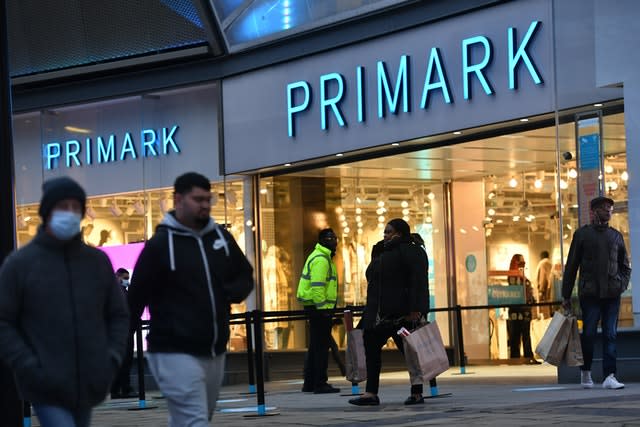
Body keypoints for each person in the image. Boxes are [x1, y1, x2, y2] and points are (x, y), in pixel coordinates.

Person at [0, 176, 129, 427]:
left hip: (88, 381)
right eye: (63, 207)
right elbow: (4, 321)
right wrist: (28, 364)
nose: (70, 213)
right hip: (44, 383)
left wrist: (111, 357)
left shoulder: (96, 262)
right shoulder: (21, 264)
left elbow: (118, 314)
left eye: (76, 207)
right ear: (47, 212)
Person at [128, 172, 254, 425]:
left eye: (208, 199)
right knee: (194, 420)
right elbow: (135, 298)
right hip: (173, 350)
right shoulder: (160, 245)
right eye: (198, 199)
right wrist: (114, 350)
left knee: (194, 417)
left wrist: (229, 294)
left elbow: (244, 274)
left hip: (214, 349)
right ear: (178, 200)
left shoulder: (220, 238)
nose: (205, 205)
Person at [349, 218, 429, 406]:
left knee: (410, 351)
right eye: (384, 232)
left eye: (388, 232)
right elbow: (373, 278)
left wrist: (416, 309)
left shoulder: (412, 252)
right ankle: (370, 393)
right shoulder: (382, 251)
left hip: (403, 314)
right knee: (370, 345)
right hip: (380, 314)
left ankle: (417, 393)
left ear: (399, 233)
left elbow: (418, 283)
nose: (385, 235)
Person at [562, 196, 630, 390]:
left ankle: (610, 375)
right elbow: (572, 266)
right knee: (589, 334)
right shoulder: (582, 235)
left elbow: (625, 266)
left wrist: (620, 285)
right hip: (590, 295)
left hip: (611, 295)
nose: (608, 211)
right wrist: (566, 295)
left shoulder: (616, 236)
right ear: (593, 211)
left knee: (610, 334)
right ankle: (586, 372)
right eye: (604, 208)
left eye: (610, 208)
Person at [297, 228, 341, 394]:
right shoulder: (322, 259)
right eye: (330, 238)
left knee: (316, 346)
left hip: (317, 308)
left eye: (335, 238)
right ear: (322, 240)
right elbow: (317, 287)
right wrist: (324, 309)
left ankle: (310, 382)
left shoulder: (322, 257)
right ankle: (320, 383)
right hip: (319, 309)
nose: (334, 241)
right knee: (321, 347)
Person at [506, 254, 539, 364]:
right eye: (521, 263)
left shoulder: (521, 278)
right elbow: (515, 294)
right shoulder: (514, 278)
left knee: (524, 335)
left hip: (523, 311)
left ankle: (526, 357)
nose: (523, 266)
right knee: (516, 336)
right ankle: (518, 359)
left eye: (524, 264)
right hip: (518, 310)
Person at [110, 268, 137, 399]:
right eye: (125, 278)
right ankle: (125, 388)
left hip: (125, 330)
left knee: (124, 361)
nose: (127, 281)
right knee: (125, 361)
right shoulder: (117, 292)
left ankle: (117, 389)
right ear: (118, 276)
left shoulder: (123, 292)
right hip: (123, 331)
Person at [535, 251, 553, 318]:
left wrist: (541, 290)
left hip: (545, 292)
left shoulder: (543, 264)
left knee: (545, 312)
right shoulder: (550, 264)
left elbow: (542, 278)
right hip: (551, 290)